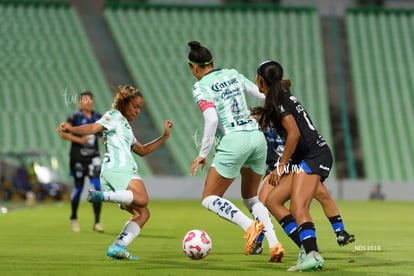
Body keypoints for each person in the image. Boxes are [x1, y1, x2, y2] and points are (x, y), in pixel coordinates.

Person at [187, 41, 285, 262]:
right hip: (257, 137)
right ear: (212, 62)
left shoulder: (201, 87)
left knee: (209, 198)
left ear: (193, 67)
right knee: (251, 197)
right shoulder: (233, 74)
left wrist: (203, 153)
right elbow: (262, 95)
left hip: (234, 140)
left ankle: (250, 227)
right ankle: (274, 244)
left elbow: (212, 118)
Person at [57, 85, 173, 260]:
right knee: (142, 198)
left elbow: (142, 150)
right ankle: (101, 196)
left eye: (140, 108)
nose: (138, 111)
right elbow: (92, 128)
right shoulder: (114, 116)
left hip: (115, 173)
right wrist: (72, 129)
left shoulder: (126, 126)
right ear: (124, 103)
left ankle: (117, 246)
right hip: (120, 170)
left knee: (143, 213)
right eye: (135, 106)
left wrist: (164, 137)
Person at [253, 80, 355, 252]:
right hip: (285, 164)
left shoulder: (281, 107)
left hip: (296, 161)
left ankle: (325, 241)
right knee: (268, 202)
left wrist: (282, 165)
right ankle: (301, 247)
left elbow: (294, 135)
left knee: (306, 202)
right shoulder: (274, 110)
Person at [252, 60, 332, 271]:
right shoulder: (280, 97)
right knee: (273, 200)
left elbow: (294, 134)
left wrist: (281, 166)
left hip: (314, 156)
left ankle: (313, 255)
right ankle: (307, 250)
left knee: (298, 207)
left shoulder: (278, 100)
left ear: (261, 79)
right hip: (307, 157)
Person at [257, 127, 355, 248]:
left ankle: (339, 232)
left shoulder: (292, 126)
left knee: (321, 194)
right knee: (262, 204)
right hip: (275, 169)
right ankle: (258, 240)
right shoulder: (264, 127)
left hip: (294, 167)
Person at [60, 91, 104, 233]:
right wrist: (80, 140)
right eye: (85, 100)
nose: (88, 102)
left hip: (94, 158)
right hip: (78, 157)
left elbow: (102, 134)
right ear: (79, 102)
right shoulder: (75, 116)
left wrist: (105, 140)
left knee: (97, 188)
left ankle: (97, 221)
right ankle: (74, 217)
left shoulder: (98, 117)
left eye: (90, 99)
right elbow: (63, 133)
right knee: (78, 188)